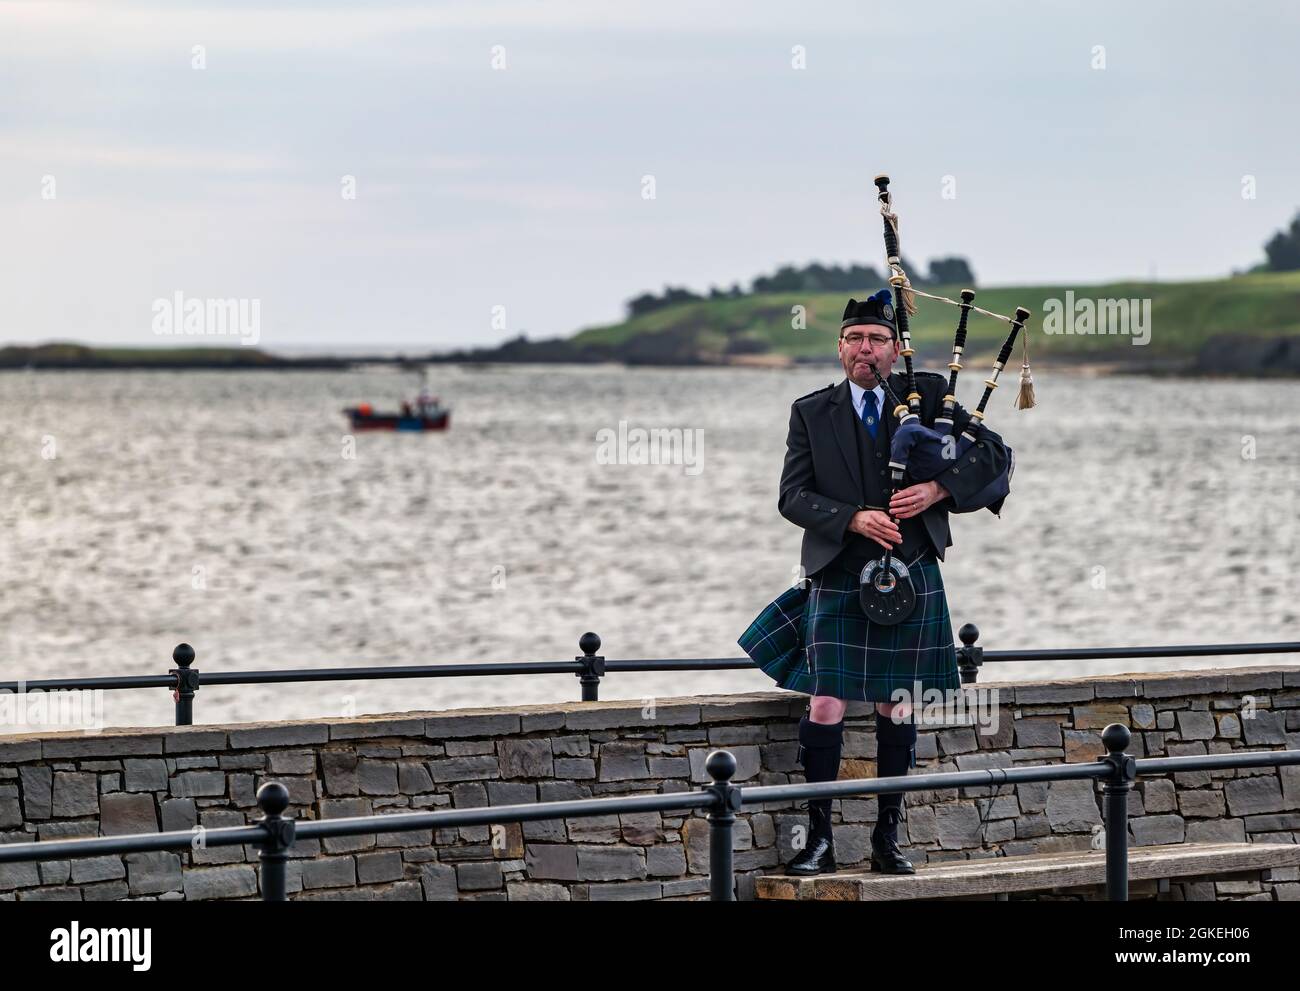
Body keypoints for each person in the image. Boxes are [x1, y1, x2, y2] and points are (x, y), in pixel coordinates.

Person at [738, 288, 1012, 877]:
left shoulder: (930, 395)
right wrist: (851, 518)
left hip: (910, 572)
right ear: (840, 348)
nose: (867, 349)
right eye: (856, 339)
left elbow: (994, 457)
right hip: (840, 571)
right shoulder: (812, 412)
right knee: (827, 700)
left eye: (879, 340)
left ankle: (888, 840)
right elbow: (792, 496)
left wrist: (938, 491)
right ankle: (819, 841)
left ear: (895, 349)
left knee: (897, 706)